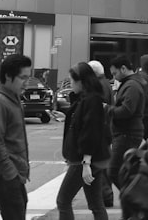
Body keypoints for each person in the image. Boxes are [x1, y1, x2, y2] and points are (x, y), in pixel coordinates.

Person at [44, 62, 112, 220]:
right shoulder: (87, 98)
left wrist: (86, 162)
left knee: (63, 200)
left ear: (82, 81)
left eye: (72, 81)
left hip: (85, 160)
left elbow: (91, 131)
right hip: (89, 159)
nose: (70, 84)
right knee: (95, 204)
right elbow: (82, 125)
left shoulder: (91, 100)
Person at [0, 54, 33, 220]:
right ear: (7, 76)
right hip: (3, 177)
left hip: (13, 175)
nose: (26, 83)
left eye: (28, 77)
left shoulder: (13, 97)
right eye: (22, 78)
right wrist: (10, 173)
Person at [108, 55, 145, 190]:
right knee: (123, 171)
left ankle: (134, 198)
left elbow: (126, 111)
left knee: (114, 170)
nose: (114, 77)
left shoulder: (132, 85)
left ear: (123, 68)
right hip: (126, 133)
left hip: (126, 133)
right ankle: (135, 198)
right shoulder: (131, 83)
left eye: (115, 73)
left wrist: (108, 109)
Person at [88, 60, 114, 208]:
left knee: (101, 165)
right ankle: (105, 195)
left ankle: (105, 196)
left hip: (101, 130)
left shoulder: (99, 86)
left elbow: (98, 109)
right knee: (102, 164)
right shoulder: (105, 84)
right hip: (106, 129)